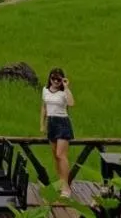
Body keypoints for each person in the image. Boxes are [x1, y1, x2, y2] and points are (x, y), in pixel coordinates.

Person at [40, 67, 75, 197]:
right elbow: (44, 107)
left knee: (61, 154)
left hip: (62, 123)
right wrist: (42, 125)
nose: (55, 81)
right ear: (50, 79)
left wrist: (66, 87)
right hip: (51, 123)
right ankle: (60, 182)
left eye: (58, 79)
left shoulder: (63, 93)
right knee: (55, 155)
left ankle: (66, 187)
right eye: (53, 78)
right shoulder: (45, 91)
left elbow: (71, 103)